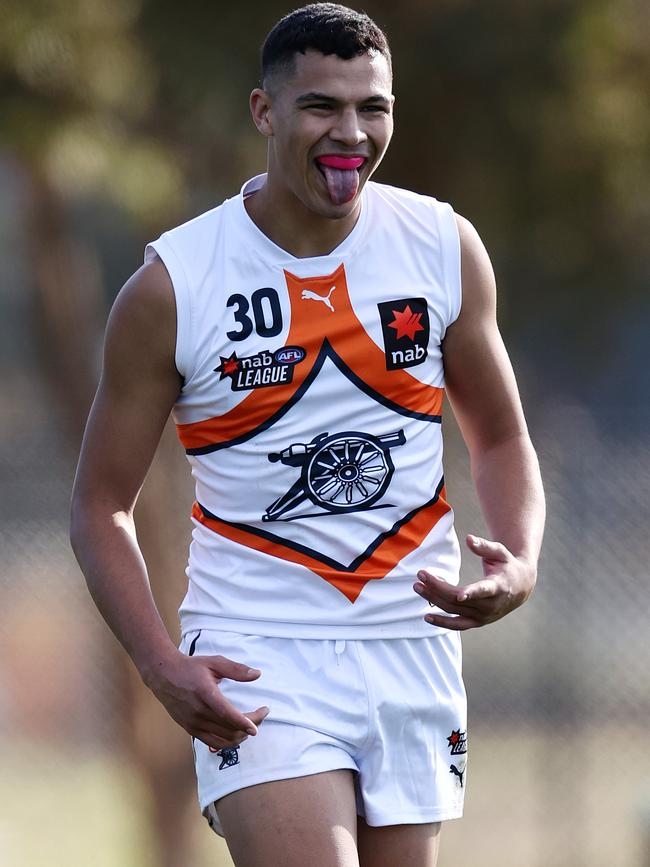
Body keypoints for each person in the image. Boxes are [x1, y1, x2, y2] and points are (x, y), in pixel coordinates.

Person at [70, 4, 545, 866]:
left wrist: (519, 557)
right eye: (323, 106)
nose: (352, 133)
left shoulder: (443, 246)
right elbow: (101, 504)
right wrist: (158, 662)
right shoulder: (175, 284)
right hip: (257, 654)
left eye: (374, 108)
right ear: (264, 111)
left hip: (412, 641)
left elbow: (502, 439)